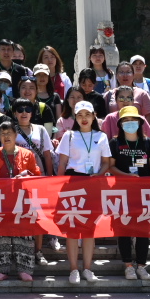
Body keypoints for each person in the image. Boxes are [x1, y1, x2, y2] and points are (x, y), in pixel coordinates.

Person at [54, 102, 111, 283]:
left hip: (93, 183)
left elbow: (106, 162)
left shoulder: (101, 136)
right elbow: (62, 163)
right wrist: (59, 185)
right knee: (72, 228)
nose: (84, 118)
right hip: (72, 182)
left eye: (88, 114)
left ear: (94, 116)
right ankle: (73, 269)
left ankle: (87, 268)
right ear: (75, 117)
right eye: (80, 115)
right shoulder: (69, 136)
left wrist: (98, 175)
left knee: (89, 229)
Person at [0, 119, 39, 282]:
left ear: (16, 135)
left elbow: (37, 176)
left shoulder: (27, 154)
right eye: (3, 133)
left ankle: (24, 268)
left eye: (9, 133)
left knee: (24, 235)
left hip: (22, 201)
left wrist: (28, 175)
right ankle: (1, 268)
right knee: (0, 235)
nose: (6, 136)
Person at [107, 105, 150, 281]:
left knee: (143, 230)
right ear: (120, 124)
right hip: (122, 192)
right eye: (126, 120)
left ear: (140, 122)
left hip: (144, 193)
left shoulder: (147, 142)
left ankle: (142, 265)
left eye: (133, 120)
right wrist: (127, 176)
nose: (130, 123)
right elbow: (111, 166)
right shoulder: (114, 143)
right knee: (124, 229)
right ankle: (128, 265)